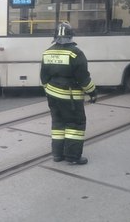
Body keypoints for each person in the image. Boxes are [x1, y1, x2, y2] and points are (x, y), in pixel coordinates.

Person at [40, 22, 97, 165]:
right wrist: (93, 92)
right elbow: (83, 78)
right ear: (71, 36)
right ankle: (72, 157)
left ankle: (58, 155)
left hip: (52, 95)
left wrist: (50, 90)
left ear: (55, 37)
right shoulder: (75, 53)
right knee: (75, 125)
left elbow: (43, 78)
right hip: (70, 97)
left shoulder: (47, 52)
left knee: (58, 124)